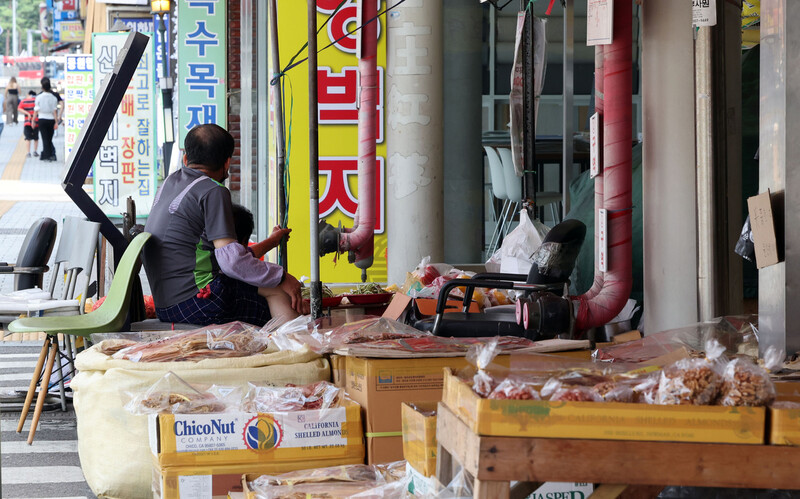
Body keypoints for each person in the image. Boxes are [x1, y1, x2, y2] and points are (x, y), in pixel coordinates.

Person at [142, 124, 306, 327]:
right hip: (197, 302)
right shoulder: (213, 190)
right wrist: (282, 277)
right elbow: (233, 262)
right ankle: (297, 349)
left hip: (165, 306)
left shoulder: (170, 183)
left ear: (186, 158)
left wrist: (271, 243)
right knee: (278, 292)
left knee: (261, 282)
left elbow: (227, 259)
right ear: (227, 162)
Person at [33, 78, 60, 162]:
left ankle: (47, 155)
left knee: (44, 138)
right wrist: (56, 122)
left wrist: (33, 120)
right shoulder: (53, 98)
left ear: (42, 87)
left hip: (42, 119)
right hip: (51, 119)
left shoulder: (39, 97)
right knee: (49, 138)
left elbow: (36, 110)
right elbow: (54, 111)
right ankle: (48, 154)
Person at [18, 91, 39, 157]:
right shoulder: (37, 101)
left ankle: (28, 152)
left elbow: (19, 108)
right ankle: (35, 151)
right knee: (36, 138)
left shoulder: (24, 101)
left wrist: (27, 113)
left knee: (27, 138)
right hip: (36, 122)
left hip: (27, 122)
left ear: (29, 94)